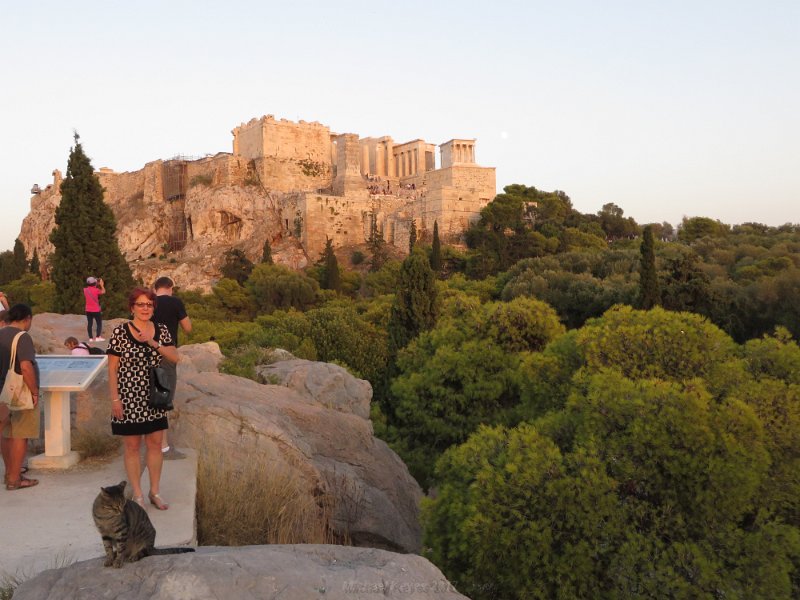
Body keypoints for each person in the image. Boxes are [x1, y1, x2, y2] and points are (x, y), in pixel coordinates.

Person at [107, 288, 178, 510]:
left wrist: (153, 342)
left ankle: (154, 491)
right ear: (132, 308)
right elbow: (112, 369)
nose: (145, 308)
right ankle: (138, 494)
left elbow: (175, 358)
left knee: (155, 444)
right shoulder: (120, 332)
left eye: (149, 304)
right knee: (132, 446)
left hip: (155, 395)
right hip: (128, 397)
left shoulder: (162, 330)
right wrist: (115, 399)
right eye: (141, 304)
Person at [1, 304, 40, 490]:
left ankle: (9, 472)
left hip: (2, 392)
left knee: (6, 434)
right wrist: (34, 391)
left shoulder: (1, 333)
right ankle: (15, 480)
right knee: (20, 435)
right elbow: (25, 367)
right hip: (19, 393)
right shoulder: (22, 337)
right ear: (28, 318)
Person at [152, 276, 192, 460]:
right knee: (163, 400)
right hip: (167, 353)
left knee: (150, 396)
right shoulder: (175, 302)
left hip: (147, 353)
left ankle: (153, 442)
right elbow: (188, 328)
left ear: (155, 288)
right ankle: (163, 448)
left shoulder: (148, 302)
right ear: (170, 287)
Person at [84, 276, 106, 342]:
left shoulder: (85, 290)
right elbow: (103, 291)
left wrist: (95, 283)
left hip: (88, 310)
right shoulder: (96, 290)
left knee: (90, 324)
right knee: (99, 323)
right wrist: (102, 285)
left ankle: (90, 338)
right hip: (96, 310)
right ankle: (97, 337)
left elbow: (91, 286)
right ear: (95, 283)